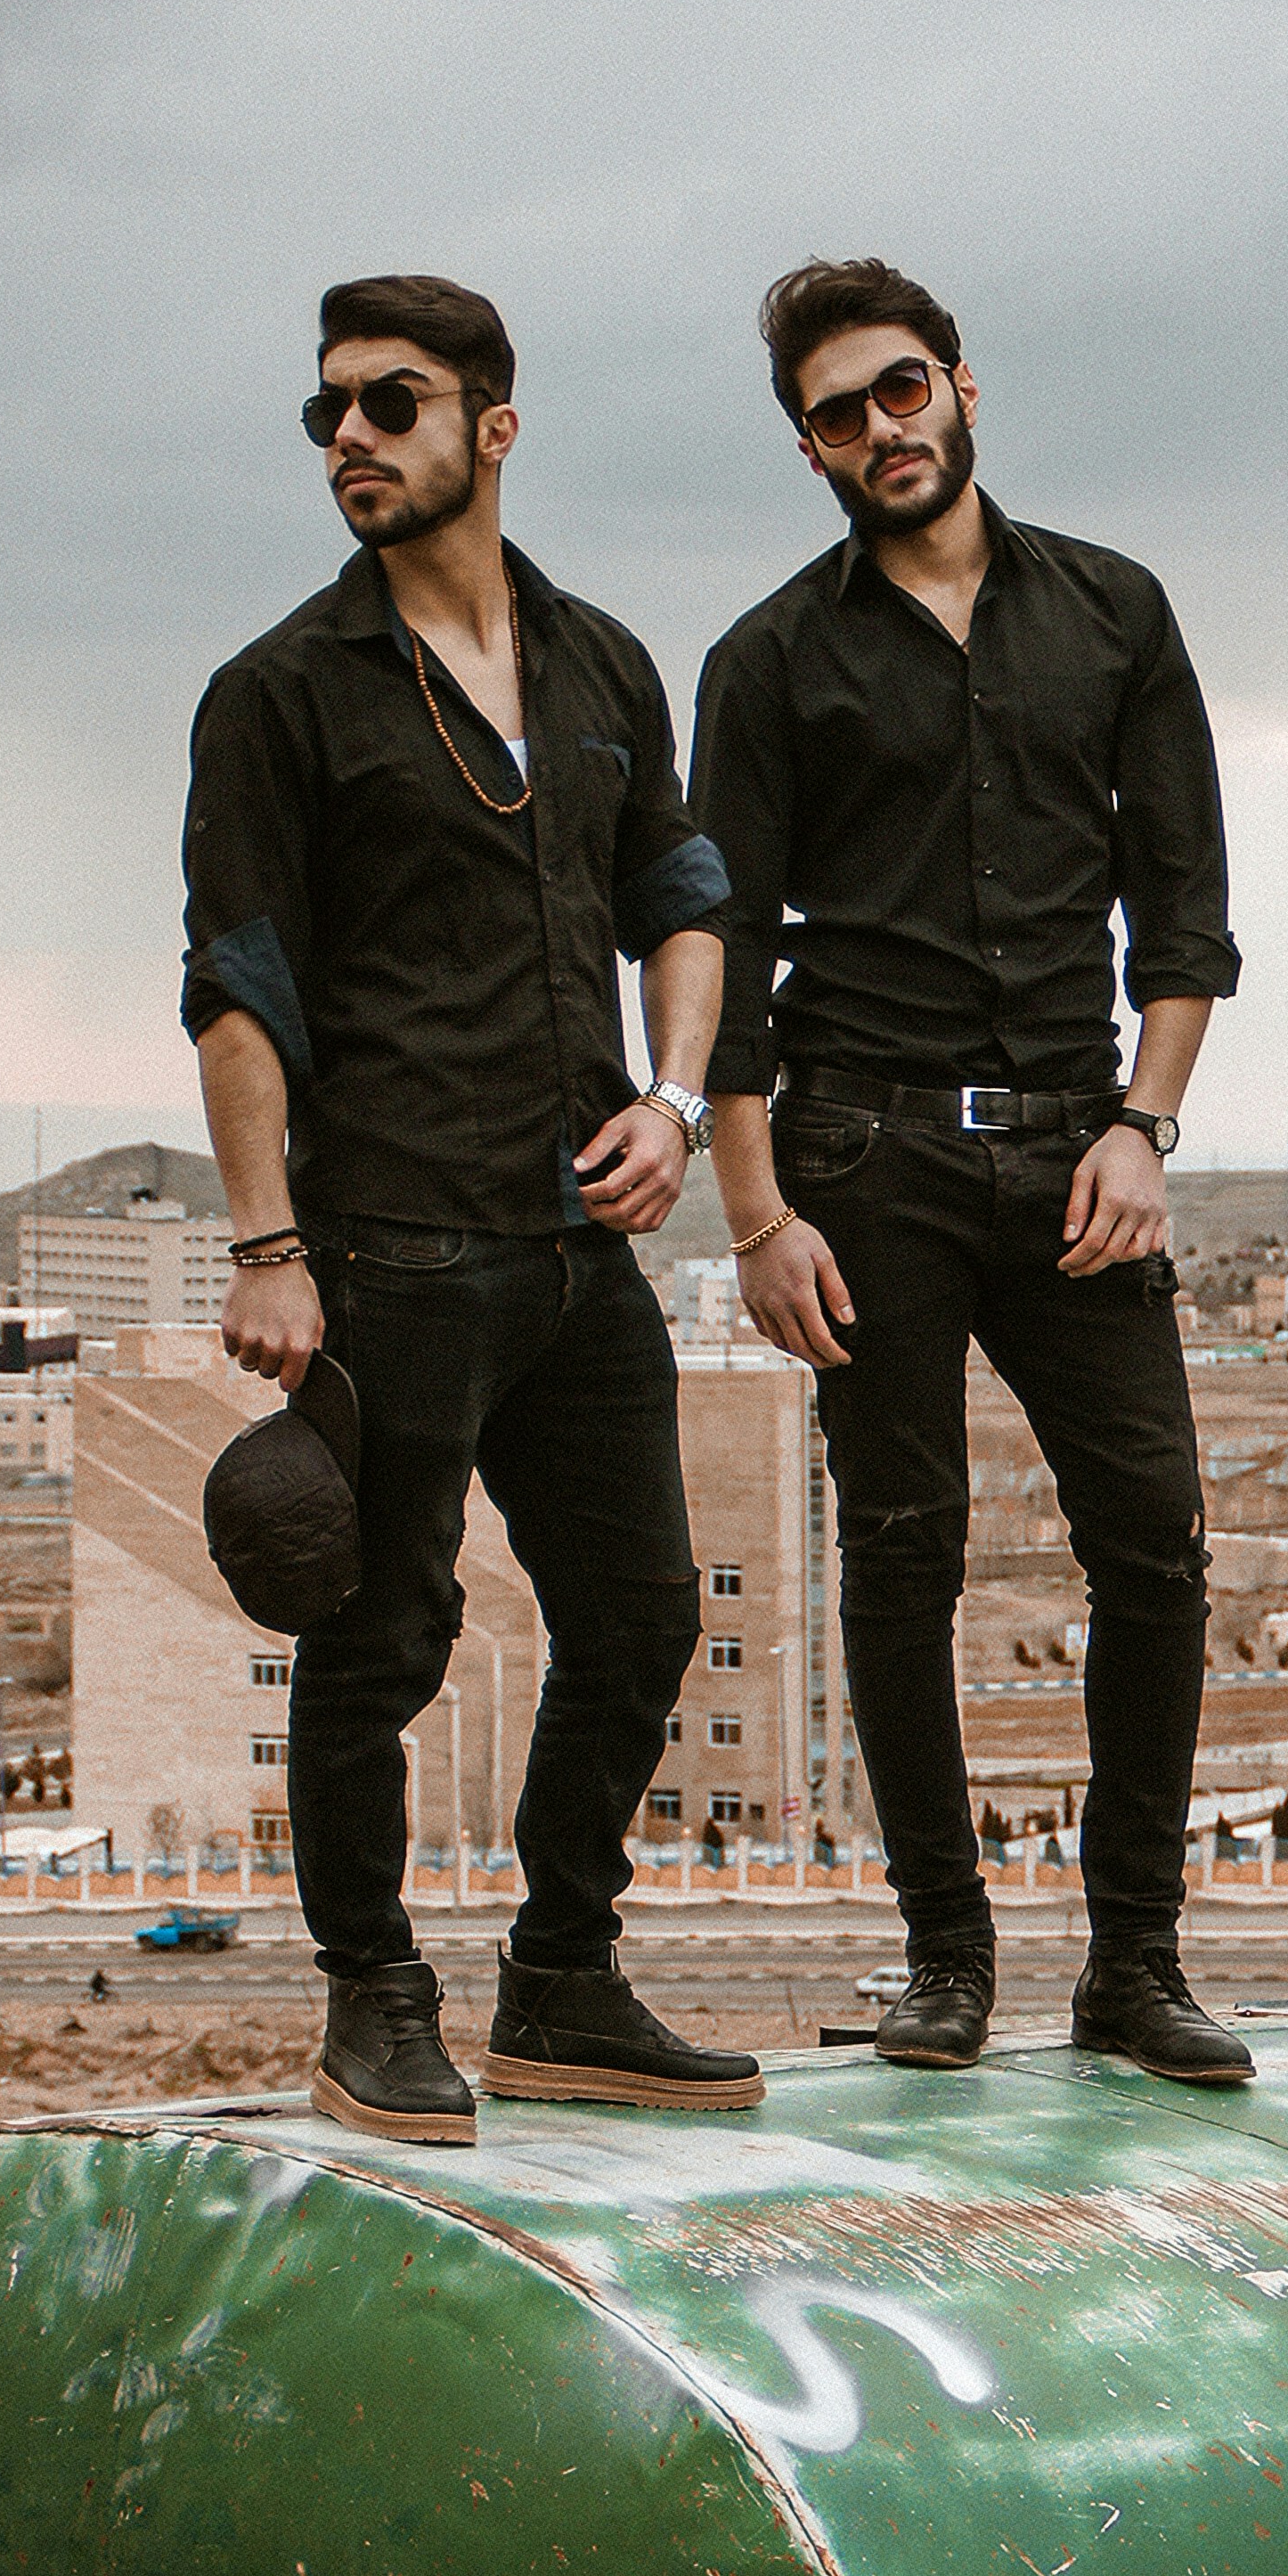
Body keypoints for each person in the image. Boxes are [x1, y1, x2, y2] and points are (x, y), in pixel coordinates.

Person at [183, 271, 762, 2141]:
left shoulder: (601, 663)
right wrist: (268, 1244)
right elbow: (239, 982)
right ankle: (373, 1993)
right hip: (384, 1245)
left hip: (584, 1246)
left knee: (647, 1613)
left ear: (492, 429)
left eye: (392, 402)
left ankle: (564, 1980)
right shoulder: (278, 693)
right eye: (328, 408)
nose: (348, 434)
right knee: (385, 1638)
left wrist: (674, 1104)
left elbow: (683, 889)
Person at [689, 257, 1252, 2087]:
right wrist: (757, 1212)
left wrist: (1143, 1130)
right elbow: (722, 955)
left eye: (903, 388)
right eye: (840, 412)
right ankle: (945, 1956)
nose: (882, 428)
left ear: (963, 390)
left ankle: (1136, 1965)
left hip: (1079, 1153)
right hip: (865, 1158)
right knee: (903, 1561)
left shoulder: (1113, 612)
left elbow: (1185, 915)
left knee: (1153, 1540)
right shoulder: (768, 661)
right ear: (810, 447)